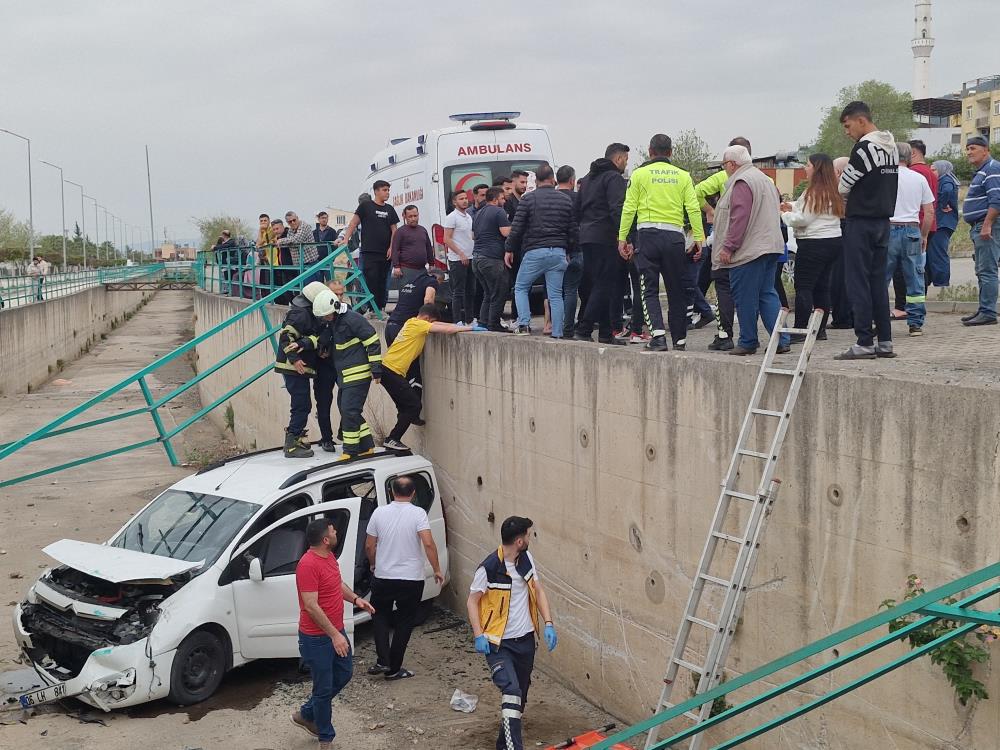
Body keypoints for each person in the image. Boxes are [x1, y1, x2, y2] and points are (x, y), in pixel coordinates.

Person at [466, 516, 557, 750]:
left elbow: (538, 589)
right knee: (512, 691)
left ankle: (502, 745)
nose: (529, 539)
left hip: (525, 641)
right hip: (499, 644)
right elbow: (472, 601)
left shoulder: (526, 559)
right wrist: (478, 634)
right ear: (519, 540)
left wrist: (548, 623)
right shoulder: (489, 568)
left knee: (519, 699)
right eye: (528, 535)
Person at [293, 517, 375, 750]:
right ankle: (325, 738)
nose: (336, 530)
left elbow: (336, 584)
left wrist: (357, 599)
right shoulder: (307, 565)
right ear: (326, 539)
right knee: (323, 687)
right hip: (317, 638)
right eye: (333, 529)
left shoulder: (328, 557)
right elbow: (310, 605)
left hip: (334, 632)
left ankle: (307, 713)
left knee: (345, 673)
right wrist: (334, 635)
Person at [619, 134, 704, 352]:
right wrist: (699, 239)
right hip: (674, 236)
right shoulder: (683, 176)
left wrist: (622, 238)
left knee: (649, 287)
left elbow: (629, 208)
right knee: (676, 288)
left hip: (647, 235)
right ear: (671, 152)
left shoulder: (639, 175)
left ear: (650, 151)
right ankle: (679, 340)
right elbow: (693, 208)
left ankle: (657, 336)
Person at [835, 100, 899, 360]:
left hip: (861, 221)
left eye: (848, 126)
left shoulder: (864, 148)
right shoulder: (892, 146)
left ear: (861, 120)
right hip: (883, 221)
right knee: (877, 283)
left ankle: (863, 341)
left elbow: (843, 186)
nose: (847, 132)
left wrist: (844, 187)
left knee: (857, 281)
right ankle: (885, 340)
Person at [364, 475, 444, 680]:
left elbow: (369, 545)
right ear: (413, 493)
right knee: (405, 621)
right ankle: (393, 669)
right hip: (411, 578)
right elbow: (428, 543)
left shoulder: (379, 513)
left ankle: (383, 659)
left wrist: (373, 564)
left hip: (383, 576)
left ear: (391, 492)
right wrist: (436, 568)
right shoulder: (418, 513)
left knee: (379, 614)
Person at [712, 145, 790, 355]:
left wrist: (729, 247)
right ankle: (781, 339)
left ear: (731, 164)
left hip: (749, 251)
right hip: (770, 247)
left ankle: (747, 341)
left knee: (745, 296)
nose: (724, 168)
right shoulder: (765, 179)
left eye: (724, 164)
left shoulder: (742, 182)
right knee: (767, 293)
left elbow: (739, 217)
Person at [380, 304, 470, 451]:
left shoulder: (411, 321)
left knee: (406, 407)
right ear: (427, 319)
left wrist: (456, 324)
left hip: (387, 370)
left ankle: (402, 426)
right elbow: (447, 330)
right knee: (414, 405)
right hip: (392, 372)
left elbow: (438, 324)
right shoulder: (419, 325)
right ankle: (393, 439)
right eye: (431, 322)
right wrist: (470, 328)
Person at [506, 164, 578, 338]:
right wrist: (569, 251)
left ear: (536, 181)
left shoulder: (528, 199)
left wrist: (509, 249)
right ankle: (558, 332)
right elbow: (573, 230)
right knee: (555, 295)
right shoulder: (565, 200)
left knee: (521, 287)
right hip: (558, 253)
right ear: (553, 179)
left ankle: (524, 324)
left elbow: (517, 228)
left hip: (535, 252)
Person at [780, 153, 844, 342]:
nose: (804, 168)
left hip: (814, 243)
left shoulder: (814, 192)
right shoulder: (831, 190)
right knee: (822, 287)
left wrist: (783, 214)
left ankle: (800, 328)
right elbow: (804, 207)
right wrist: (790, 206)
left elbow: (803, 219)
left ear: (816, 169)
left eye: (807, 165)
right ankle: (820, 328)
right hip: (832, 241)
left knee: (804, 286)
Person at [310, 289, 382, 458]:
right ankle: (366, 445)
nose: (325, 319)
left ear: (335, 308)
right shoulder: (334, 322)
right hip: (345, 375)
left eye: (326, 315)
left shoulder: (353, 319)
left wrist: (376, 369)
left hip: (357, 374)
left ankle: (350, 450)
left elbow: (372, 341)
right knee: (347, 410)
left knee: (349, 410)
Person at [574, 143, 630, 344]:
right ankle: (585, 327)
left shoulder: (588, 178)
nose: (626, 163)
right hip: (605, 237)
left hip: (587, 237)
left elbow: (577, 208)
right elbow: (617, 208)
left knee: (601, 285)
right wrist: (623, 237)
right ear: (618, 159)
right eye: (625, 159)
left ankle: (606, 333)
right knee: (605, 284)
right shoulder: (614, 178)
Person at [886, 142, 934, 337]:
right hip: (912, 231)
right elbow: (929, 211)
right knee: (914, 277)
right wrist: (924, 235)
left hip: (888, 229)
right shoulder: (919, 178)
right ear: (909, 157)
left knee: (882, 277)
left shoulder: (885, 177)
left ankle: (878, 320)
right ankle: (915, 323)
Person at [336, 181, 399, 313]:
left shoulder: (389, 209)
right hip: (369, 251)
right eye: (384, 190)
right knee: (371, 280)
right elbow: (353, 223)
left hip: (385, 253)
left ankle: (381, 309)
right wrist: (345, 239)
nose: (387, 192)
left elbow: (394, 230)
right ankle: (371, 309)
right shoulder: (365, 206)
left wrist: (391, 247)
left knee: (383, 282)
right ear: (376, 191)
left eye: (388, 190)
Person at [961, 136, 1000, 326]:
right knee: (981, 269)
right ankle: (984, 309)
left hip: (986, 226)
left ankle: (988, 312)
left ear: (986, 150)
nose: (969, 152)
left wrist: (987, 224)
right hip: (979, 225)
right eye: (967, 148)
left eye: (973, 148)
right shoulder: (982, 171)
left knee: (987, 270)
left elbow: (996, 199)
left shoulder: (992, 168)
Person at [473, 187, 513, 332]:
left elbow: (473, 235)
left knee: (488, 293)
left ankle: (483, 322)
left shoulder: (478, 213)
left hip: (477, 259)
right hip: (492, 259)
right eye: (502, 198)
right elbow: (506, 232)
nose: (504, 200)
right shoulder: (498, 211)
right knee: (499, 292)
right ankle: (494, 323)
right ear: (495, 199)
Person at [555, 165, 585, 333]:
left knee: (554, 291)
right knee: (571, 289)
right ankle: (568, 327)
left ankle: (556, 326)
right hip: (576, 250)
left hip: (554, 249)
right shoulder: (578, 198)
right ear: (573, 180)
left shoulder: (551, 198)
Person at [828, 157, 854, 330]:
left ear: (838, 172)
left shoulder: (840, 188)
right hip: (854, 228)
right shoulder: (858, 185)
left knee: (838, 275)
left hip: (842, 227)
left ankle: (842, 317)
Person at [443, 190, 475, 325]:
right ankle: (457, 320)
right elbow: (447, 238)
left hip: (471, 257)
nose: (465, 201)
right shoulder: (452, 217)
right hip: (457, 259)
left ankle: (470, 319)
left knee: (470, 291)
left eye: (466, 198)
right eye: (461, 199)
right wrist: (461, 253)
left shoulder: (468, 216)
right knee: (458, 291)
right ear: (455, 202)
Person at [928, 159, 959, 289]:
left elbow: (946, 191)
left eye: (934, 169)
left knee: (938, 253)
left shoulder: (945, 180)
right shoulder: (944, 180)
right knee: (933, 253)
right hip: (943, 222)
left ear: (942, 169)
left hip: (942, 223)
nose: (931, 171)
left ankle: (941, 285)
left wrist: (942, 203)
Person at [389, 205, 434, 285]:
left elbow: (428, 248)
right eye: (410, 216)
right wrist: (396, 266)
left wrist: (431, 264)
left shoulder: (423, 230)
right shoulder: (400, 232)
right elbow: (395, 250)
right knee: (407, 295)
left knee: (421, 294)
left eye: (415, 216)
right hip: (407, 270)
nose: (413, 219)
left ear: (418, 215)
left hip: (422, 270)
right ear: (405, 217)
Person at [277, 211, 319, 280]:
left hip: (310, 263)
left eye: (294, 220)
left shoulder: (304, 226)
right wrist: (289, 241)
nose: (293, 222)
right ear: (287, 223)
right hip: (299, 265)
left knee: (311, 287)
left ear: (297, 218)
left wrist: (281, 241)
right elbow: (291, 240)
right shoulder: (290, 230)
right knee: (303, 287)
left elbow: (297, 239)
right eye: (290, 222)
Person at [314, 211, 338, 282]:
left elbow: (335, 246)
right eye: (322, 218)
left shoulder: (332, 231)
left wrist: (332, 258)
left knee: (330, 281)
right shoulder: (314, 232)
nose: (324, 220)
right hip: (317, 261)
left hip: (328, 261)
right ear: (318, 219)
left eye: (326, 218)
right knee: (318, 282)